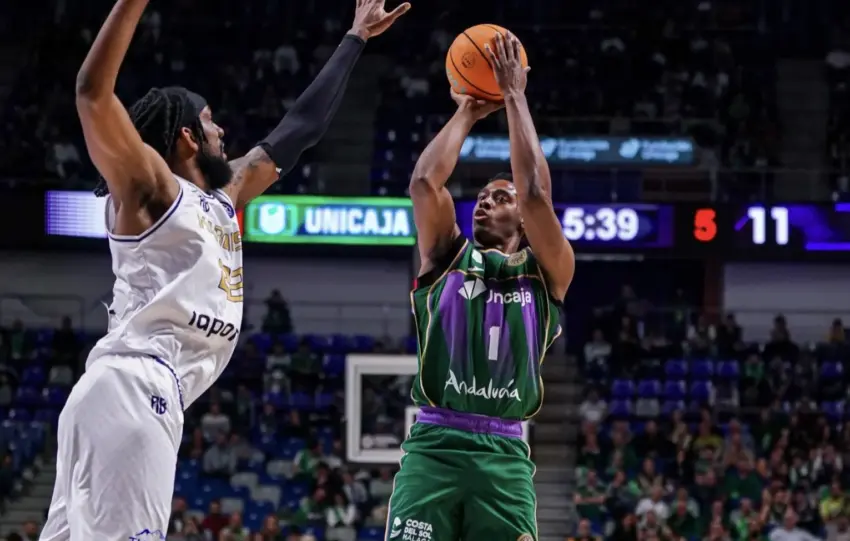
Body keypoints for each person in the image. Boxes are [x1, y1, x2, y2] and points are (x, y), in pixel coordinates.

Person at [38, 0, 410, 540]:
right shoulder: (149, 186)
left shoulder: (223, 194)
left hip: (130, 393)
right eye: (211, 121)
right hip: (135, 385)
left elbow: (300, 129)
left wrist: (355, 39)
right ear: (187, 137)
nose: (223, 130)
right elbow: (92, 93)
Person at [389, 32, 575, 541]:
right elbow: (424, 183)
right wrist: (468, 111)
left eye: (499, 197)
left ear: (523, 220)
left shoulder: (549, 272)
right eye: (482, 197)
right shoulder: (446, 256)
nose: (485, 202)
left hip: (504, 455)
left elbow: (536, 193)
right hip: (434, 445)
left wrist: (514, 95)